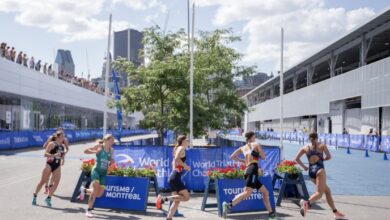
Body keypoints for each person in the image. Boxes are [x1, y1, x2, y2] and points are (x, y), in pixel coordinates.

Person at [222, 131, 275, 219]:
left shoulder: (243, 147)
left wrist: (244, 161)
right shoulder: (256, 144)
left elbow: (232, 156)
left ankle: (271, 214)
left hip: (248, 170)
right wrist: (257, 153)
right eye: (254, 136)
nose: (255, 138)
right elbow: (264, 157)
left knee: (265, 192)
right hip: (253, 170)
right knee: (247, 193)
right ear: (252, 137)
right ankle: (229, 205)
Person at [294, 132, 345, 219]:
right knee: (319, 193)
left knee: (327, 191)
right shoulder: (322, 145)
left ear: (309, 138)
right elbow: (329, 157)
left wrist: (305, 167)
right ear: (317, 138)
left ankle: (335, 212)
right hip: (320, 170)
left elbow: (296, 159)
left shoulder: (305, 147)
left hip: (311, 172)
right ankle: (306, 203)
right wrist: (322, 159)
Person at [156, 135, 190, 220]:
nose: (188, 141)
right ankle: (163, 199)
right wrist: (185, 166)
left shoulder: (177, 148)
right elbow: (177, 158)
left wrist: (178, 169)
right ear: (182, 141)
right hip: (175, 178)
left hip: (173, 177)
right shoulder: (181, 148)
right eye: (187, 140)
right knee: (186, 197)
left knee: (176, 202)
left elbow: (174, 163)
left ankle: (169, 218)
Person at [80, 134, 115, 218]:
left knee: (99, 194)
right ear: (106, 140)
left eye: (113, 141)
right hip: (96, 171)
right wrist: (95, 151)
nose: (112, 142)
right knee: (95, 189)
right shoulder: (99, 146)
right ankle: (89, 210)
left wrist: (112, 162)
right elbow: (85, 151)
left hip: (103, 173)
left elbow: (110, 160)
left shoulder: (111, 150)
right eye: (111, 141)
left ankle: (84, 190)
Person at [32, 131, 66, 207]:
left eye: (64, 136)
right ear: (57, 137)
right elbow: (45, 154)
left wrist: (63, 159)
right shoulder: (52, 144)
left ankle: (48, 198)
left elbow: (62, 154)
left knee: (57, 182)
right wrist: (53, 155)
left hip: (57, 165)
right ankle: (35, 195)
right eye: (62, 136)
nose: (63, 138)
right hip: (49, 164)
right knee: (42, 182)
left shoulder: (62, 146)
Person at [42, 128, 69, 194]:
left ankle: (50, 187)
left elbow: (67, 149)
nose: (61, 132)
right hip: (51, 157)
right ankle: (46, 187)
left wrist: (63, 156)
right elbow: (44, 146)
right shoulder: (51, 137)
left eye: (62, 131)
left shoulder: (64, 139)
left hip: (58, 158)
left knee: (54, 175)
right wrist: (50, 147)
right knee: (48, 174)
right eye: (59, 130)